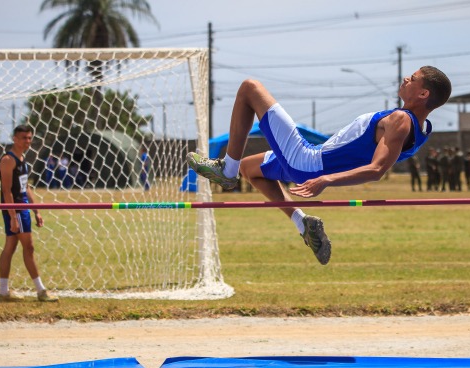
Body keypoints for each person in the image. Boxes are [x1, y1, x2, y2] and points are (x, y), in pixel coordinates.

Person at [188, 66, 451, 265]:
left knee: (249, 87)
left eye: (413, 78)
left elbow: (377, 169)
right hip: (311, 160)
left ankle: (226, 171)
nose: (406, 78)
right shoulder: (422, 128)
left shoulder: (401, 120)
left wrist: (326, 180)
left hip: (308, 161)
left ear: (423, 93)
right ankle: (303, 224)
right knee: (250, 168)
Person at [0, 125, 58, 302]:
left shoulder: (22, 159)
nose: (27, 141)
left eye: (30, 138)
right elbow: (7, 191)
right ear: (15, 139)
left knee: (10, 247)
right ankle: (41, 291)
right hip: (15, 208)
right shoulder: (8, 160)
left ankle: (3, 292)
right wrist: (13, 216)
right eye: (24, 138)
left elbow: (26, 187)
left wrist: (36, 210)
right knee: (28, 247)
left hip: (23, 207)